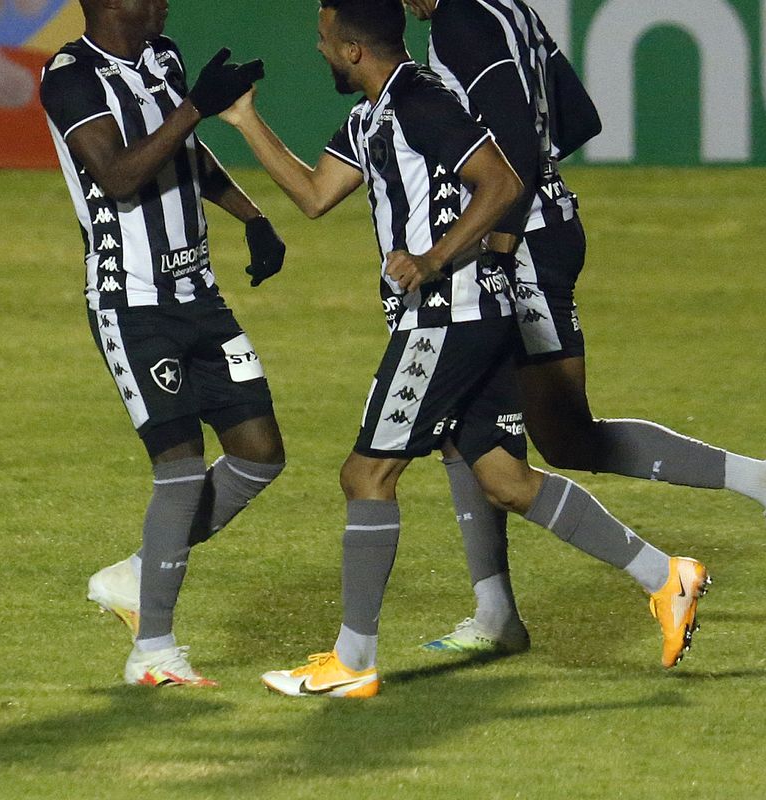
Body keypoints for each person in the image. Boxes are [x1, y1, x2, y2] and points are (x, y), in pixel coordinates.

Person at [221, 0, 710, 698]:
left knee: (365, 477)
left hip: (449, 316)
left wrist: (433, 257)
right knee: (506, 481)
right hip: (464, 316)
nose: (320, 50)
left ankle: (352, 661)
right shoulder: (374, 116)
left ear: (353, 48)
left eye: (325, 39)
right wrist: (243, 119)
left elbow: (504, 181)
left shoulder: (423, 101)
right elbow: (313, 193)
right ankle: (667, 577)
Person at [395, 0, 766, 655]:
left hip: (519, 246)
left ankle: (501, 613)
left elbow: (508, 124)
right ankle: (765, 480)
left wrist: (502, 236)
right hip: (547, 228)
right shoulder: (508, 9)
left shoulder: (459, 21)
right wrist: (537, 189)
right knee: (561, 437)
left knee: (468, 420)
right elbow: (578, 115)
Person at [39, 0, 288, 687]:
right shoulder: (70, 77)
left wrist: (251, 215)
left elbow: (185, 151)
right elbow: (117, 174)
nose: (162, 2)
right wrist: (195, 109)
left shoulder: (165, 57)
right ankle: (153, 652)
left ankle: (140, 574)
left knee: (261, 454)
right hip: (133, 304)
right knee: (179, 469)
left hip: (199, 296)